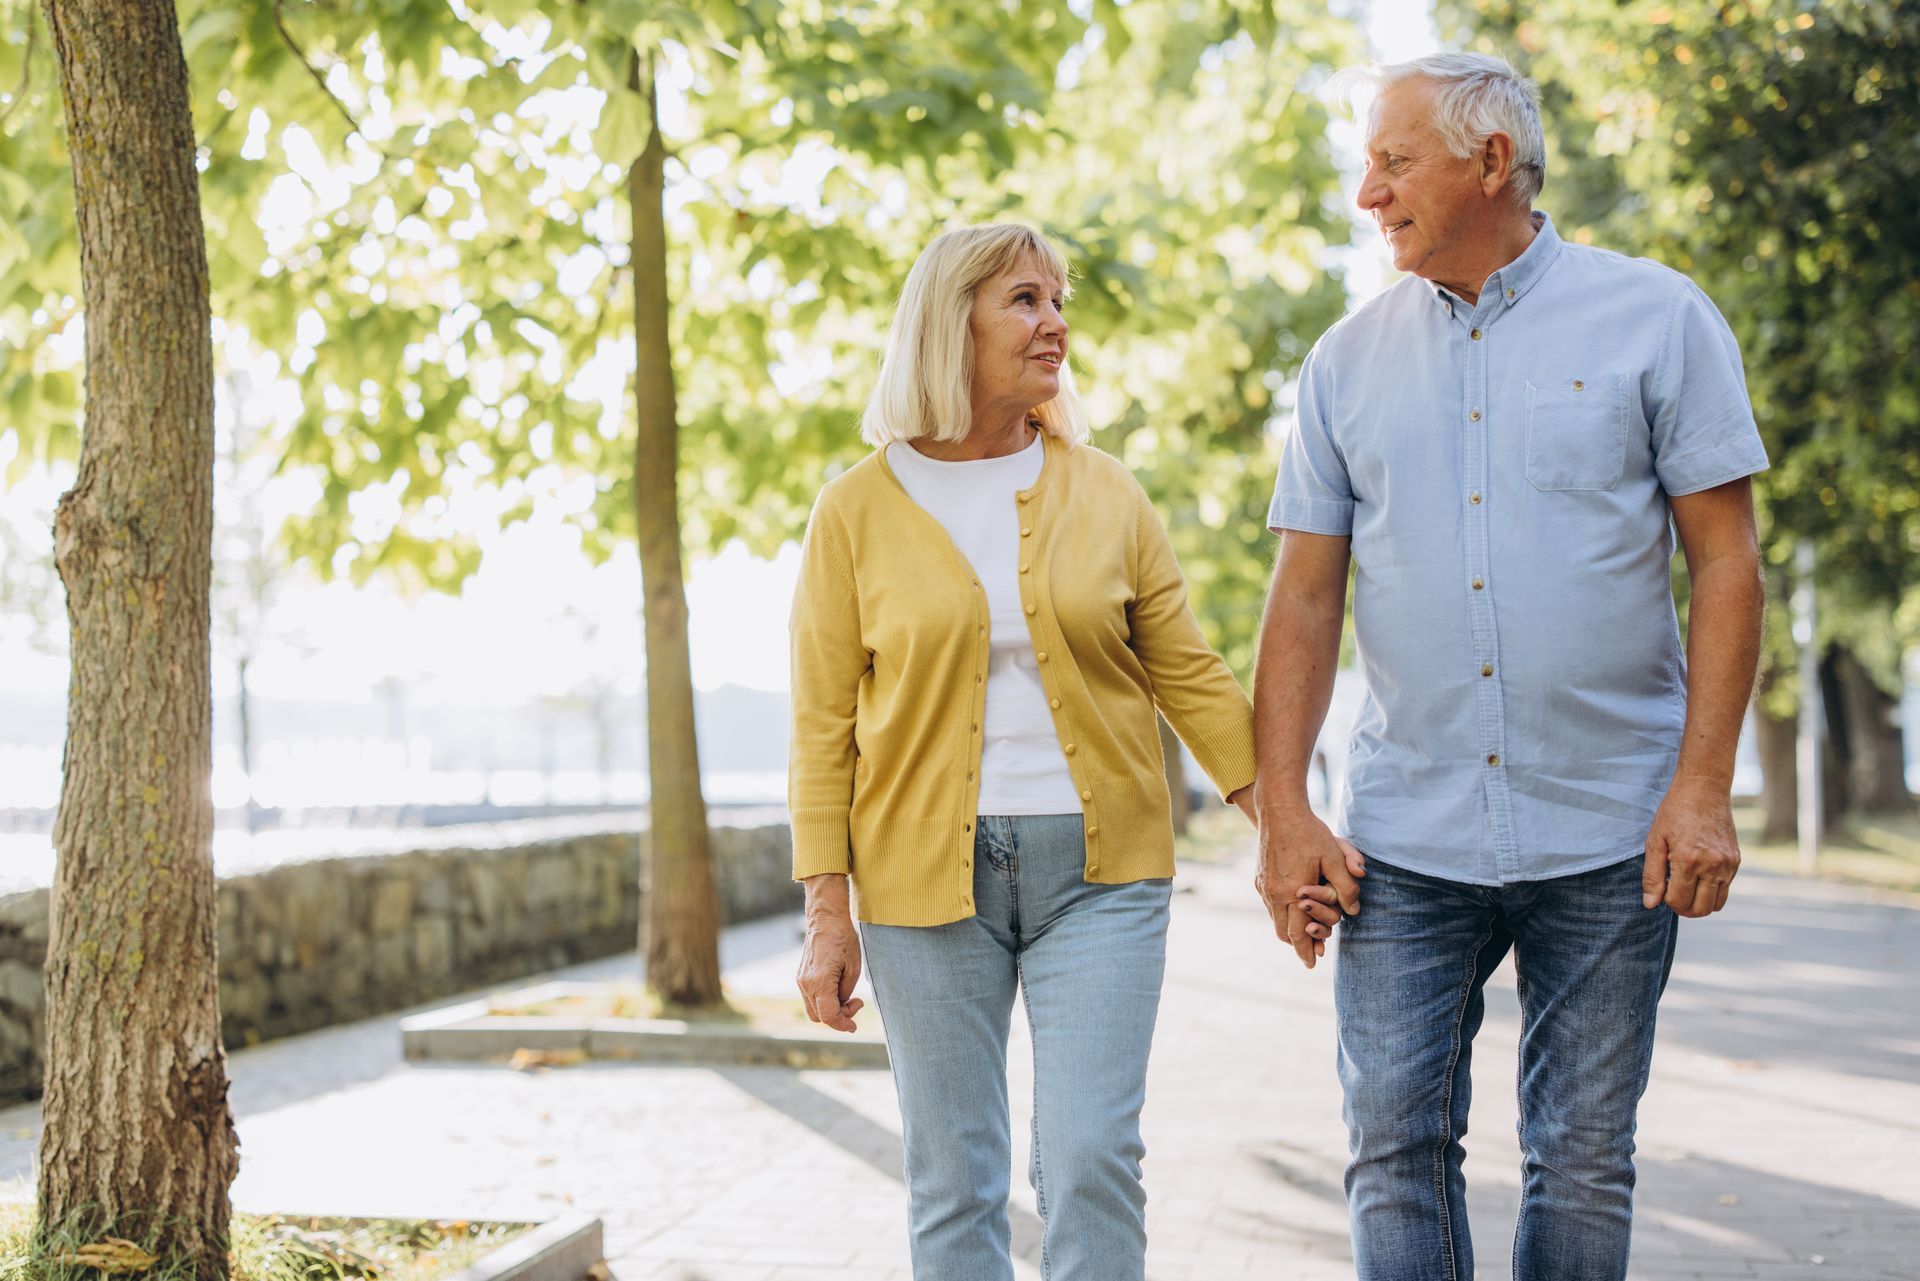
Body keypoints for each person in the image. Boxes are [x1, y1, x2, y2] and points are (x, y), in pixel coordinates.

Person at [1253, 54, 1767, 1281]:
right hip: (1406, 836)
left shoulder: (1658, 317)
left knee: (1583, 1155)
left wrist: (1703, 790)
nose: (1366, 193)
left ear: (1493, 161)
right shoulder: (1342, 364)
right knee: (1393, 1146)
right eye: (1367, 163)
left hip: (1611, 825)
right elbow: (1304, 601)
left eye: (1393, 160)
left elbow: (1729, 565)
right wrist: (1283, 811)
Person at [788, 222, 1349, 1281]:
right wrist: (826, 913)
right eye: (1025, 301)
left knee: (1092, 1156)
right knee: (954, 1174)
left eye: (1058, 301)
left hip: (1102, 875)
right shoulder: (853, 512)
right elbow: (822, 727)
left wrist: (1285, 824)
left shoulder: (1105, 490)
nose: (1056, 324)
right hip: (918, 886)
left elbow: (1188, 672)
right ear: (949, 322)